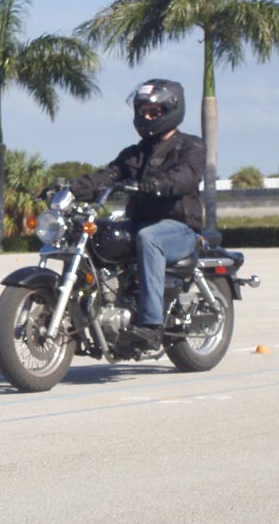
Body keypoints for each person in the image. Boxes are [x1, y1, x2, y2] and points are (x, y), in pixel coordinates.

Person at [69, 78, 205, 351]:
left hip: (178, 228)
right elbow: (108, 175)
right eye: (142, 111)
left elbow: (186, 176)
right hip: (139, 223)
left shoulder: (190, 146)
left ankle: (152, 326)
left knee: (149, 237)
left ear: (171, 111)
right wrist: (73, 188)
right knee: (96, 233)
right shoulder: (134, 154)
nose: (146, 117)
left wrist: (158, 184)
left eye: (153, 112)